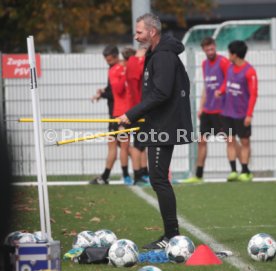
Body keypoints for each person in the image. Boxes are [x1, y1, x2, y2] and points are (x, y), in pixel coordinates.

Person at [118, 13, 193, 249]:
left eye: (139, 31)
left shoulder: (163, 56)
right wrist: (140, 116)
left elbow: (161, 93)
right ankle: (171, 234)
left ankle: (172, 235)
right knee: (158, 179)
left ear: (152, 32)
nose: (136, 36)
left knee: (159, 179)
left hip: (164, 126)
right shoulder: (158, 54)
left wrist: (131, 114)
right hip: (159, 123)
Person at [184, 37, 230, 183]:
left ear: (215, 47)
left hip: (222, 110)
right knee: (202, 141)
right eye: (207, 49)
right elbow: (206, 87)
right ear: (203, 50)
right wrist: (201, 107)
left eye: (212, 48)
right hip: (208, 110)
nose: (210, 51)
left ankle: (238, 170)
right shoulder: (204, 64)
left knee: (230, 139)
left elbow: (229, 81)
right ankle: (198, 175)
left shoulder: (223, 62)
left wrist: (221, 92)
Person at [215, 40, 258, 182]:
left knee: (245, 142)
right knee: (230, 141)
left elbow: (253, 94)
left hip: (241, 115)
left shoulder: (250, 71)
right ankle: (233, 171)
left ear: (235, 55)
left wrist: (249, 114)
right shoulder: (230, 68)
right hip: (227, 113)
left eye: (229, 53)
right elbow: (226, 84)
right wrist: (220, 91)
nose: (228, 55)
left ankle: (245, 171)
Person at [90, 45, 133, 185]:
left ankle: (131, 174)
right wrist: (102, 92)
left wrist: (102, 93)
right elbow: (113, 89)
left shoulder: (117, 68)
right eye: (106, 60)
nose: (107, 62)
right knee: (119, 145)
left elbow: (116, 92)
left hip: (120, 113)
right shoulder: (119, 67)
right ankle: (107, 175)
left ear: (115, 56)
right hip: (116, 112)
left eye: (109, 60)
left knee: (124, 146)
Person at [123, 46, 150, 185]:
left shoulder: (131, 64)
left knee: (141, 144)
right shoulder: (136, 62)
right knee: (138, 145)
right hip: (139, 109)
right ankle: (138, 175)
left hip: (136, 109)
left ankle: (142, 173)